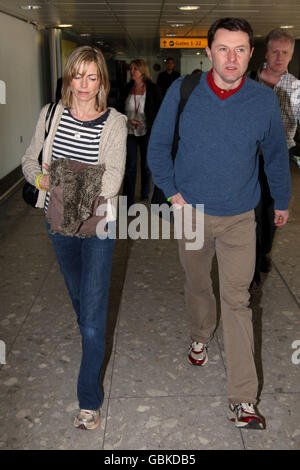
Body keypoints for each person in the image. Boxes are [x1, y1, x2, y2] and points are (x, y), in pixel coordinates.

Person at [147, 17, 291, 429]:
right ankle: (199, 332)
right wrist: (173, 193)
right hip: (191, 211)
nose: (232, 58)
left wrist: (281, 199)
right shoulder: (184, 90)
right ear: (208, 52)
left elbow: (277, 156)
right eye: (223, 49)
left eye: (241, 49)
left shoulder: (263, 101)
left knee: (238, 300)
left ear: (251, 54)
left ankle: (243, 399)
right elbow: (158, 146)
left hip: (241, 217)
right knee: (197, 285)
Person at [22, 46, 128, 430]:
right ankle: (92, 342)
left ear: (102, 80)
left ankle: (89, 399)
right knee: (82, 303)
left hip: (99, 225)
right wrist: (41, 178)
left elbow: (113, 180)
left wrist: (61, 175)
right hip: (58, 225)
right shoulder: (50, 115)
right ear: (68, 78)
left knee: (93, 319)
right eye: (77, 76)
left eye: (92, 76)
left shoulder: (114, 123)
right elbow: (30, 161)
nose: (83, 85)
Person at [250, 29, 300, 286]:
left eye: (285, 53)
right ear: (265, 52)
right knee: (252, 213)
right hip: (249, 159)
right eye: (275, 52)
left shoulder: (296, 88)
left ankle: (264, 249)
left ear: (291, 55)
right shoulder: (248, 81)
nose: (279, 58)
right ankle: (252, 263)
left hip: (277, 161)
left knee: (271, 213)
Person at [121, 59, 162, 207]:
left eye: (135, 69)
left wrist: (149, 124)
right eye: (131, 69)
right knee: (130, 166)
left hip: (147, 131)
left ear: (142, 71)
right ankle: (127, 200)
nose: (132, 72)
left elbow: (159, 112)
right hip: (130, 131)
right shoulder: (127, 88)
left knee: (146, 166)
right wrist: (126, 120)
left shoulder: (153, 89)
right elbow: (120, 109)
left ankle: (145, 192)